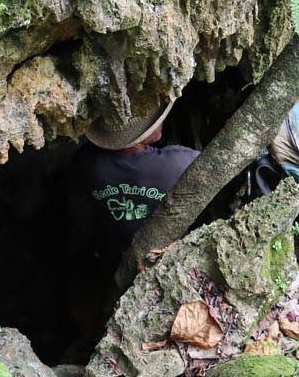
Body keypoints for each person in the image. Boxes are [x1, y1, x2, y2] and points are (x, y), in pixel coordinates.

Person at [66, 98, 199, 275]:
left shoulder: (86, 162)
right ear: (138, 136)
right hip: (174, 261)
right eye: (152, 122)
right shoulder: (180, 162)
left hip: (115, 256)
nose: (160, 121)